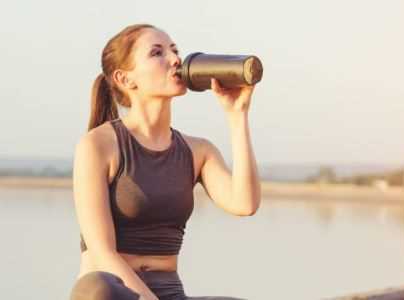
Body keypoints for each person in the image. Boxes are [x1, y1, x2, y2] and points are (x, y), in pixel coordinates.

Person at [69, 23, 261, 300]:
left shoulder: (198, 151)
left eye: (175, 50)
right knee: (99, 289)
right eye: (157, 53)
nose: (174, 60)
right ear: (125, 79)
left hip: (169, 291)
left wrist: (237, 116)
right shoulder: (98, 145)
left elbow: (245, 203)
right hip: (113, 289)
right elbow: (102, 252)